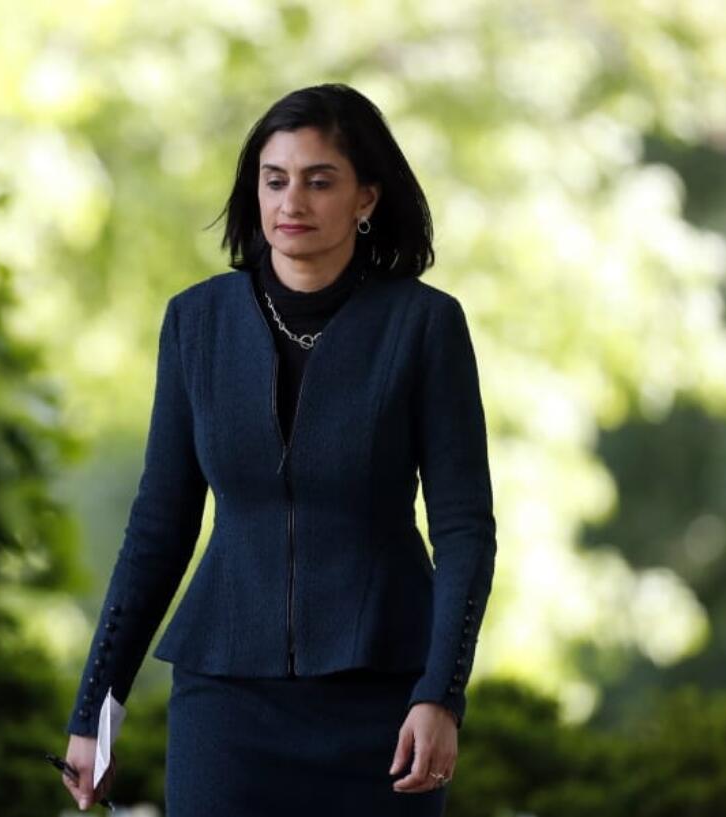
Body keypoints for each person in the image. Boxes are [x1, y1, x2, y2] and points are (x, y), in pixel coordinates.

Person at [63, 83, 497, 816]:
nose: (291, 200)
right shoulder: (194, 323)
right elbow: (159, 529)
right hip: (224, 705)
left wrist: (441, 694)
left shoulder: (425, 327)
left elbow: (463, 528)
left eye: (319, 180)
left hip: (383, 706)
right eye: (275, 179)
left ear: (366, 197)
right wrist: (93, 712)